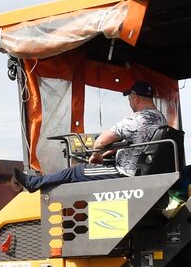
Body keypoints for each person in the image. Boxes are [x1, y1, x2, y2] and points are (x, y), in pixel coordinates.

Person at [14, 81, 169, 192]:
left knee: (76, 171)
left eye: (129, 99)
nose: (130, 103)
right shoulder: (161, 119)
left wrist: (96, 154)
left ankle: (34, 183)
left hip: (125, 173)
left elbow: (101, 140)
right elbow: (143, 142)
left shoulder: (135, 119)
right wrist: (115, 151)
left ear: (136, 98)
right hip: (141, 168)